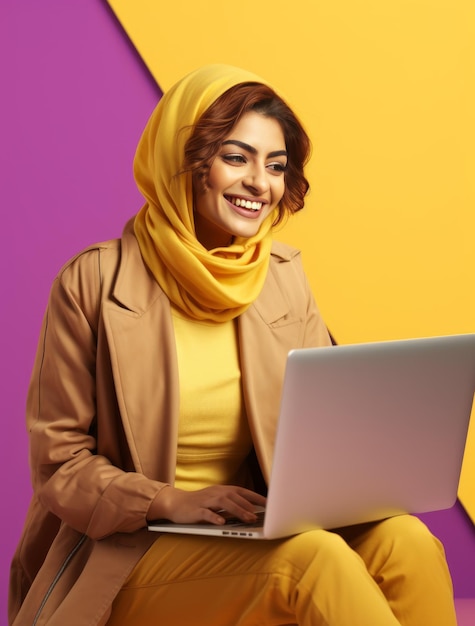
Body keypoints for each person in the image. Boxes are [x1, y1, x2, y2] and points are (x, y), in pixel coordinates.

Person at [9, 64, 457, 626]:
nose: (259, 183)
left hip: (257, 528)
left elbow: (324, 428)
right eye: (236, 157)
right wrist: (167, 501)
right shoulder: (92, 282)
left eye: (275, 166)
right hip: (134, 548)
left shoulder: (284, 275)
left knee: (406, 541)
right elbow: (60, 465)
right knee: (310, 561)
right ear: (184, 160)